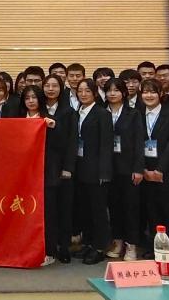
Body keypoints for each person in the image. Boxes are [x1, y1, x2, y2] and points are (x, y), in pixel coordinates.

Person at [20, 85, 72, 266]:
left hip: (46, 173)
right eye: (27, 98)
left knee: (48, 213)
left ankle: (49, 250)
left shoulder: (49, 119)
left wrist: (53, 127)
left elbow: (62, 145)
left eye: (34, 97)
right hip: (23, 175)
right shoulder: (17, 119)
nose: (31, 101)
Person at [138, 78, 169, 257]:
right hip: (145, 169)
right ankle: (156, 246)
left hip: (166, 170)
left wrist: (160, 169)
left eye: (153, 92)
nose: (149, 96)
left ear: (161, 94)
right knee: (152, 210)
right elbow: (134, 143)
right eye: (145, 92)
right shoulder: (137, 114)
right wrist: (143, 168)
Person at [103, 78, 145, 261]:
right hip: (108, 168)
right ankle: (118, 241)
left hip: (128, 168)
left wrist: (138, 168)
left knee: (131, 208)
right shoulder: (101, 112)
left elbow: (139, 141)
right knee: (114, 207)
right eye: (109, 90)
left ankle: (131, 245)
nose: (112, 93)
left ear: (124, 93)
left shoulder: (133, 114)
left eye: (116, 90)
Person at [72, 78, 113, 265]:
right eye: (80, 91)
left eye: (87, 91)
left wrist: (104, 172)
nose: (83, 94)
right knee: (85, 209)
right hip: (80, 168)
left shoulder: (102, 114)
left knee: (98, 211)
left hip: (97, 171)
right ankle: (88, 243)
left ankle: (100, 247)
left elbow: (106, 145)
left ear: (95, 93)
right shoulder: (77, 113)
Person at [43, 75, 77, 262]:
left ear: (61, 88)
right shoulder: (38, 110)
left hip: (62, 167)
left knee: (64, 208)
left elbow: (72, 142)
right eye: (47, 85)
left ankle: (63, 247)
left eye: (54, 86)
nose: (50, 89)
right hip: (42, 167)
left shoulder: (68, 112)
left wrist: (68, 167)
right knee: (48, 210)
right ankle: (49, 247)